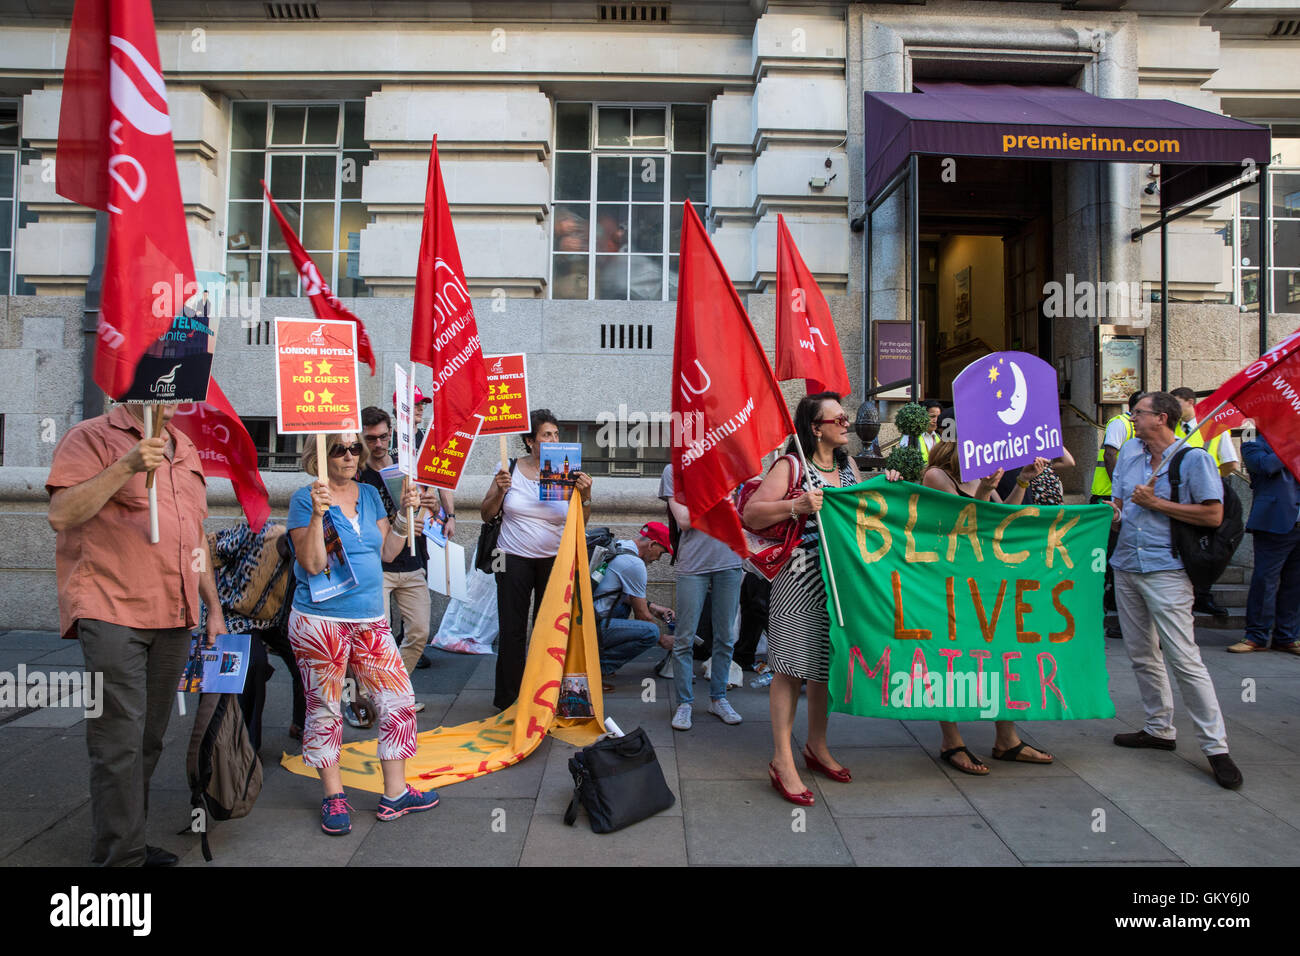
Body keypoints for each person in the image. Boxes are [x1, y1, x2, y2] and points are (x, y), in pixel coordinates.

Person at [47, 401, 224, 867]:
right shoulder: (90, 436)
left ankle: (128, 841)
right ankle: (119, 860)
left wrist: (214, 607)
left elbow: (196, 537)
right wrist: (127, 463)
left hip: (174, 612)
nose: (168, 394)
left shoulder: (184, 447)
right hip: (112, 609)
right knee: (117, 740)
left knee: (148, 740)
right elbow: (62, 513)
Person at [287, 433, 440, 834]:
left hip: (371, 617)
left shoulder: (370, 494)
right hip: (322, 621)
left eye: (355, 448)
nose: (351, 456)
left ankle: (395, 793)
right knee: (325, 706)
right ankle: (334, 797)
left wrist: (408, 517)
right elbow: (312, 563)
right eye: (339, 449)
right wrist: (319, 515)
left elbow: (388, 552)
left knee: (399, 700)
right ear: (318, 456)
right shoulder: (306, 499)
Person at [906, 410, 1054, 776]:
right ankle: (951, 741)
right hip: (949, 581)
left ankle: (1007, 739)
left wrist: (1020, 481)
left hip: (985, 581)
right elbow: (965, 517)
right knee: (950, 658)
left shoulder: (981, 476)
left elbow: (1005, 521)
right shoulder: (936, 475)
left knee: (997, 655)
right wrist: (986, 487)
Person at [1108, 391, 1242, 789]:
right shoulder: (1131, 452)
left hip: (1168, 569)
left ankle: (1216, 747)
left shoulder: (1193, 458)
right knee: (1141, 654)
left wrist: (1157, 504)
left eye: (1139, 413)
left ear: (1162, 418)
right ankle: (1158, 728)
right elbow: (1120, 506)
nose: (1132, 417)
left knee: (1184, 658)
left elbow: (1212, 513)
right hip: (1127, 565)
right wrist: (1106, 514)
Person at [742, 392, 860, 806]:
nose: (846, 423)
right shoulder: (791, 465)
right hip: (796, 578)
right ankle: (781, 759)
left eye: (844, 417)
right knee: (789, 668)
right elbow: (751, 514)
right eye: (838, 418)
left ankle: (816, 745)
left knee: (823, 669)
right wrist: (797, 504)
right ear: (815, 428)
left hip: (836, 582)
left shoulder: (847, 467)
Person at [482, 409, 592, 711]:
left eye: (557, 434)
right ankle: (509, 700)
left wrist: (586, 496)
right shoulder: (509, 467)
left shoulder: (565, 469)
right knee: (512, 629)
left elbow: (579, 522)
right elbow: (486, 513)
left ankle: (546, 698)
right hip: (512, 557)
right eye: (547, 435)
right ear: (531, 441)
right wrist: (500, 490)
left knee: (549, 630)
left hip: (553, 560)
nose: (554, 439)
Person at [359, 405, 453, 690]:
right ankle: (368, 694)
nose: (378, 444)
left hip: (412, 562)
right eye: (371, 438)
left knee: (419, 633)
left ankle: (393, 689)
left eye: (384, 437)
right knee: (378, 638)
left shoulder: (406, 466)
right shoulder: (359, 476)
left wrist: (434, 507)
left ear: (392, 433)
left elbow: (429, 504)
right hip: (378, 566)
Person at [200, 520, 306, 749]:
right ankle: (246, 744)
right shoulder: (257, 532)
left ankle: (302, 724)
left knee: (307, 657)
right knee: (254, 661)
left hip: (274, 618)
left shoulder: (310, 565)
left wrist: (352, 690)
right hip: (231, 610)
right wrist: (210, 604)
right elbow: (205, 548)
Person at [659, 464, 745, 729]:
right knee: (684, 638)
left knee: (726, 637)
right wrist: (719, 498)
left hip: (729, 560)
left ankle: (718, 698)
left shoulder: (730, 467)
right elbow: (684, 520)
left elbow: (743, 512)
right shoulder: (674, 471)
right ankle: (685, 703)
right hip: (693, 564)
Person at [1170, 387, 1240, 617]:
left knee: (1206, 543)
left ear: (1190, 402)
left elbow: (1231, 463)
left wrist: (1210, 478)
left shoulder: (1212, 427)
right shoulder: (1174, 428)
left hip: (1210, 492)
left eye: (1177, 402)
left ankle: (1202, 594)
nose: (1173, 408)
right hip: (1181, 494)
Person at [1229, 434, 1300, 654]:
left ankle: (1287, 637)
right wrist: (1293, 443)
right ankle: (1256, 635)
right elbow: (1267, 466)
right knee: (1264, 581)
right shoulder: (1254, 446)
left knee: (1295, 585)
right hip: (1274, 523)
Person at [593, 522, 676, 692]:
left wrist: (654, 607)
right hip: (591, 624)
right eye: (661, 553)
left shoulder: (620, 546)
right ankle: (596, 669)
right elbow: (642, 616)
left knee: (623, 608)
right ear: (652, 544)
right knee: (650, 632)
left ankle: (596, 657)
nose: (658, 559)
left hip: (585, 616)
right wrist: (662, 640)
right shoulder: (634, 564)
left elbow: (624, 596)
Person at [1092, 391, 1143, 640]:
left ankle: (1111, 601)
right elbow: (1110, 454)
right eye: (1141, 412)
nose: (1138, 420)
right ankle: (1100, 603)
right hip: (1106, 499)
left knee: (1115, 554)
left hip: (1121, 503)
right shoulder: (1119, 424)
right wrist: (1117, 493)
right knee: (1106, 553)